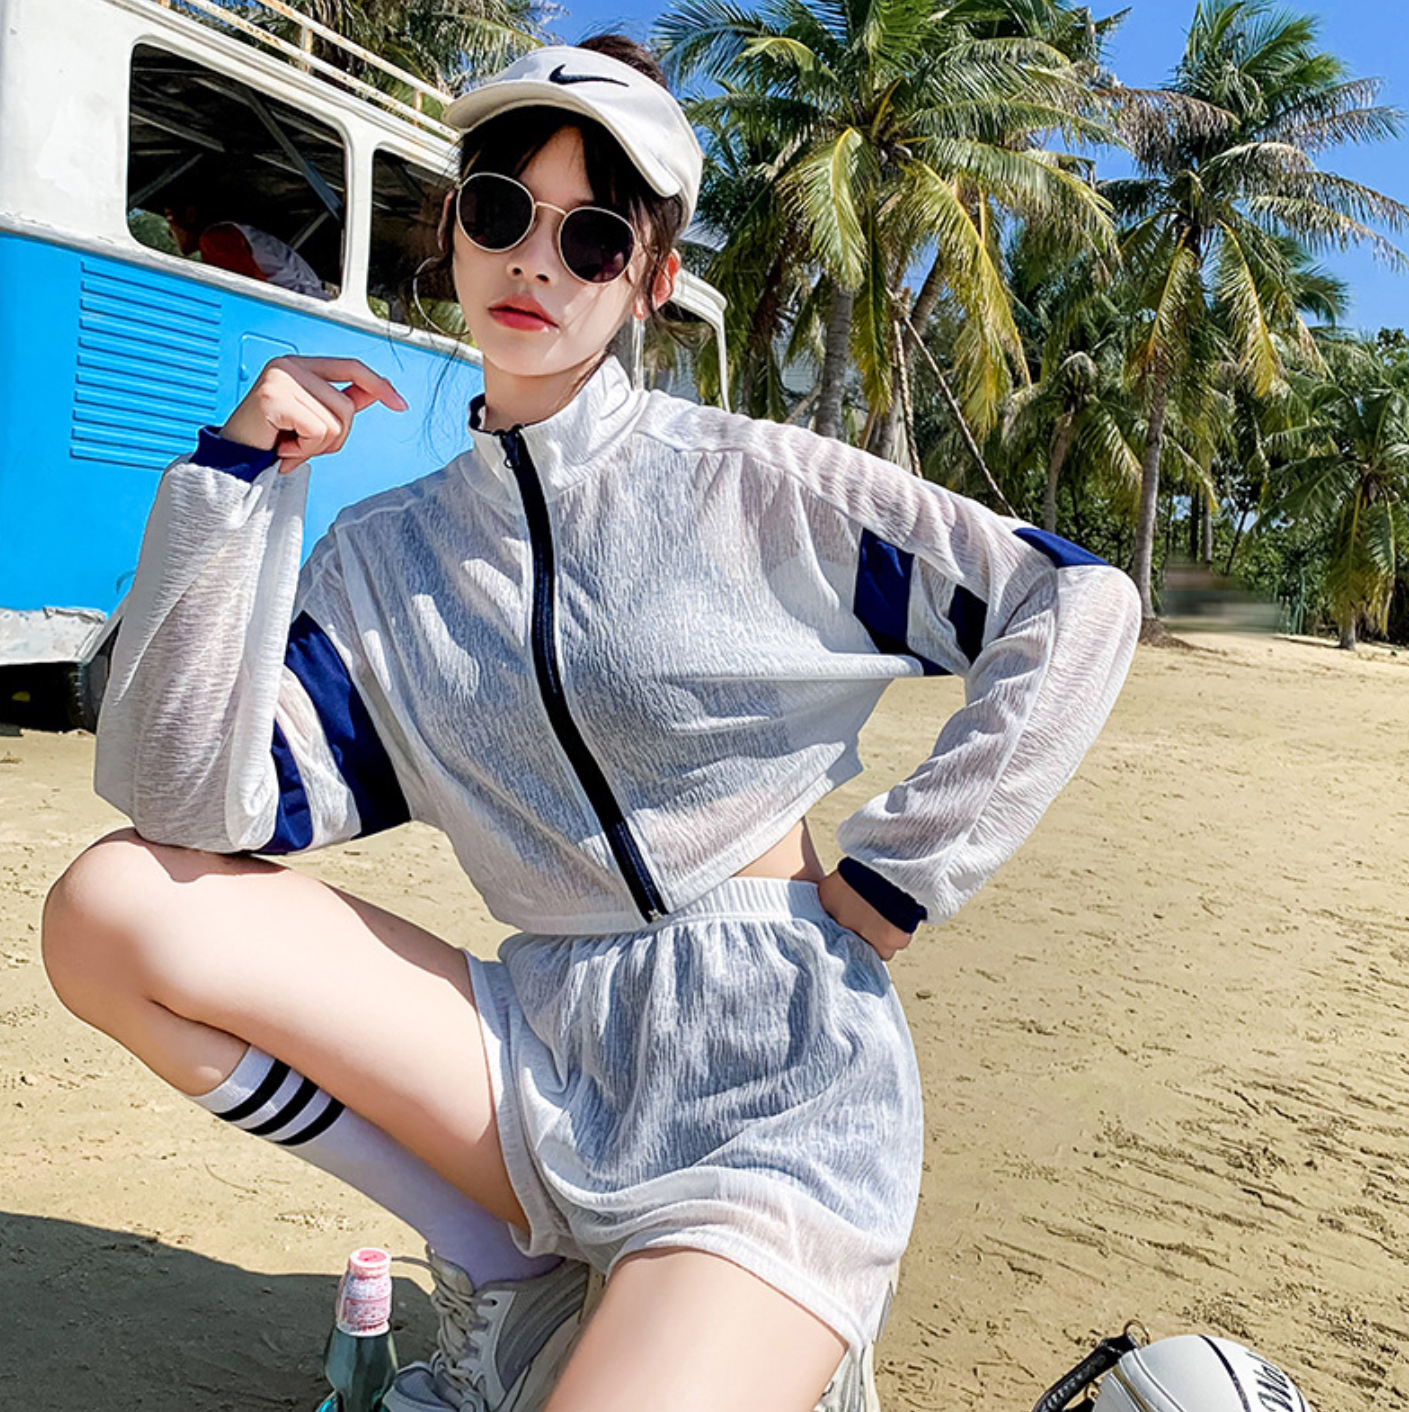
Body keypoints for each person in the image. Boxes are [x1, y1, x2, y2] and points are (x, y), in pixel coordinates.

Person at [42, 35, 1142, 1412]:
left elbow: (1072, 600)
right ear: (454, 229)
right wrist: (234, 482)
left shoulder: (754, 485)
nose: (536, 261)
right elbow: (184, 798)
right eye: (502, 210)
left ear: (650, 279)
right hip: (543, 1045)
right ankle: (509, 1272)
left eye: (593, 235)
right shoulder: (391, 558)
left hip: (769, 1093)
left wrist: (900, 868)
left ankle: (716, 1325)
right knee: (110, 909)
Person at [164, 191, 330, 299]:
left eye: (169, 219)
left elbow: (249, 293)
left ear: (190, 214)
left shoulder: (216, 238)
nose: (169, 233)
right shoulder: (237, 235)